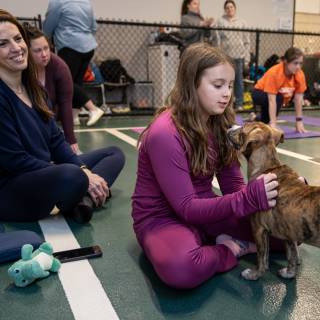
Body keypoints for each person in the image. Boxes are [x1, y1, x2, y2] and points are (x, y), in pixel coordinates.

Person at [131, 43, 280, 289]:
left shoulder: (221, 122)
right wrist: (249, 201)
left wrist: (274, 194)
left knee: (288, 232)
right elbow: (187, 208)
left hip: (207, 210)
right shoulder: (164, 133)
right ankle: (228, 247)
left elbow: (233, 186)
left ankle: (211, 236)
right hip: (162, 217)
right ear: (192, 83)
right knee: (181, 268)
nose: (227, 94)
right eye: (218, 85)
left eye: (230, 86)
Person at [0, 10, 125, 224]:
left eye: (18, 39)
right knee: (72, 175)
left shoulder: (35, 89)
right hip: (13, 187)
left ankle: (82, 199)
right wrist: (82, 175)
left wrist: (85, 170)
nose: (16, 48)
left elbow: (56, 141)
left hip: (44, 169)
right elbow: (15, 161)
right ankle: (80, 196)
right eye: (3, 44)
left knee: (114, 154)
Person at [43, 0, 104, 126]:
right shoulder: (86, 2)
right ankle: (74, 117)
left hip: (70, 46)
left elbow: (48, 26)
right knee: (77, 82)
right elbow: (93, 27)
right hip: (88, 46)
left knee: (65, 81)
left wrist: (46, 38)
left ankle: (93, 108)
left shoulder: (58, 2)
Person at [24, 25, 80, 154]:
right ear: (26, 51)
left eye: (46, 48)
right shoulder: (20, 69)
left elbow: (65, 103)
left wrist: (71, 140)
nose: (44, 54)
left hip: (49, 122)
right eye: (37, 51)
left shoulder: (60, 67)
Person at [251, 47, 307, 133]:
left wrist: (299, 121)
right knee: (279, 98)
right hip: (259, 93)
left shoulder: (299, 74)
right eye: (295, 63)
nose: (298, 67)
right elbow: (272, 100)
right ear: (286, 62)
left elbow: (298, 99)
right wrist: (273, 123)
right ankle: (270, 121)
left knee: (264, 121)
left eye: (300, 63)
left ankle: (255, 118)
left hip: (278, 96)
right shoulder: (274, 73)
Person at [216, 0, 250, 111]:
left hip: (239, 56)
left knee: (238, 80)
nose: (230, 9)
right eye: (227, 8)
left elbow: (247, 41)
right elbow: (217, 39)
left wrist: (247, 58)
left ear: (235, 9)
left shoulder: (242, 22)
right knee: (226, 81)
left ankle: (239, 103)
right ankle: (228, 104)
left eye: (231, 7)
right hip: (226, 56)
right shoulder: (220, 22)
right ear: (225, 10)